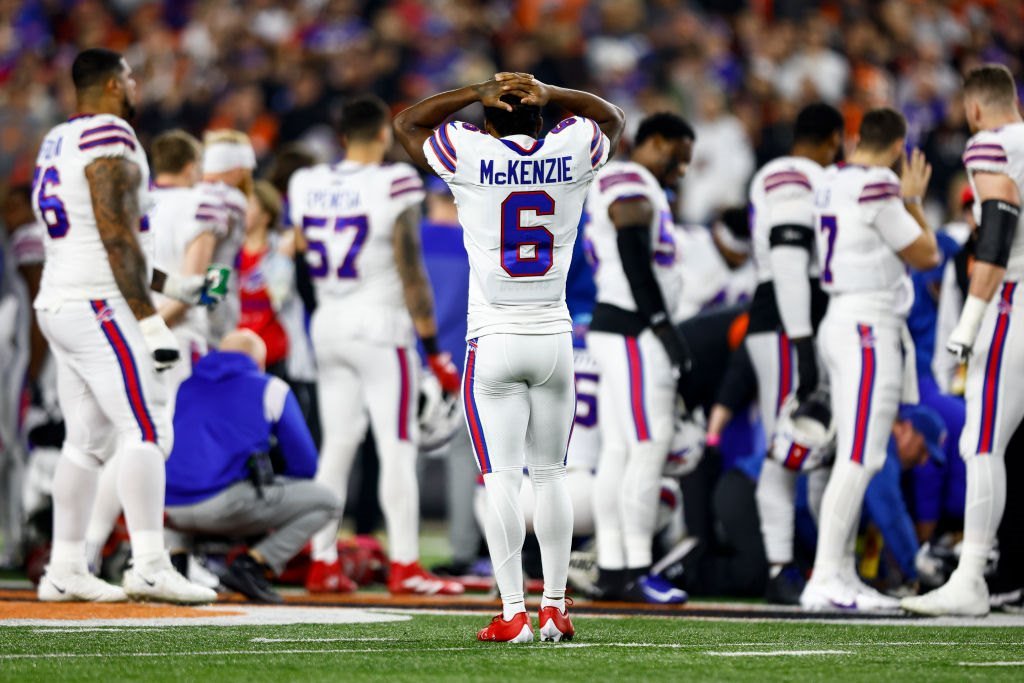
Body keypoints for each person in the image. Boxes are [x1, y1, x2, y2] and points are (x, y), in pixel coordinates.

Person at [394, 72, 625, 642]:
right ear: (543, 117)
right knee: (551, 476)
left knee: (502, 478)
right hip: (553, 335)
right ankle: (553, 607)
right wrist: (552, 92)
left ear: (490, 123)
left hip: (494, 337)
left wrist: (476, 91)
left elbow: (407, 123)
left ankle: (513, 613)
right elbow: (613, 120)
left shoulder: (471, 152)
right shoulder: (572, 145)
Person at [31, 48, 215, 603]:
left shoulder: (57, 140)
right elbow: (114, 239)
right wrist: (149, 318)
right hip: (100, 304)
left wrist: (172, 285)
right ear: (114, 85)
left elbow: (107, 237)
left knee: (85, 442)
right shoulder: (110, 136)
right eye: (132, 76)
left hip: (64, 300)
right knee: (149, 429)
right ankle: (150, 563)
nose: (137, 86)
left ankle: (64, 568)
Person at [289, 95, 463, 597]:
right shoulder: (395, 182)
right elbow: (411, 270)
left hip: (327, 321)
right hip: (381, 325)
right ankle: (406, 564)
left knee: (337, 449)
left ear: (342, 136)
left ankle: (323, 561)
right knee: (397, 447)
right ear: (383, 136)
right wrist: (433, 350)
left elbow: (300, 251)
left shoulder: (307, 183)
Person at [800, 108, 940, 611]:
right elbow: (926, 255)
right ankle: (825, 578)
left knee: (857, 454)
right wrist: (915, 199)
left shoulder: (830, 178)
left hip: (843, 320)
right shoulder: (879, 185)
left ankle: (839, 573)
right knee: (861, 456)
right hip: (866, 326)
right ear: (899, 147)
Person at [903, 64, 1024, 617]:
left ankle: (971, 575)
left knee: (981, 443)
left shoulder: (990, 145)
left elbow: (997, 229)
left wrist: (970, 319)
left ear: (975, 109)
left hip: (1013, 301)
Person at [584, 112, 694, 604]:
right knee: (648, 447)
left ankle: (613, 568)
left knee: (619, 452)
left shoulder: (641, 182)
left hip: (624, 327)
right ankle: (635, 568)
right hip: (631, 328)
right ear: (656, 141)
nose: (683, 169)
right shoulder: (629, 178)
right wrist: (661, 323)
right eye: (680, 155)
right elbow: (630, 243)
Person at [744, 103, 844, 604]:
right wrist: (803, 340)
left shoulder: (800, 173)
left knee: (823, 448)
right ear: (832, 139)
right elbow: (787, 251)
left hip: (800, 318)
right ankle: (781, 568)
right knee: (788, 447)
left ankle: (828, 568)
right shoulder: (793, 173)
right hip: (789, 320)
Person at [164, 330, 339, 604]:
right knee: (327, 501)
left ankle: (176, 559)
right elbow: (305, 464)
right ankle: (254, 564)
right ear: (259, 362)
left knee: (175, 481)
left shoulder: (181, 385)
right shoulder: (270, 387)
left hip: (167, 510)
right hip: (225, 506)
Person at [863, 405, 948, 589]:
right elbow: (890, 511)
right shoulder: (882, 446)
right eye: (923, 449)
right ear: (906, 429)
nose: (923, 460)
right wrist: (918, 566)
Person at [238, 180, 293, 378]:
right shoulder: (229, 252)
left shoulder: (281, 252)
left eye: (249, 205)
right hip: (236, 351)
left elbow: (282, 295)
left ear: (265, 217)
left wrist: (283, 260)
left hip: (273, 353)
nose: (241, 211)